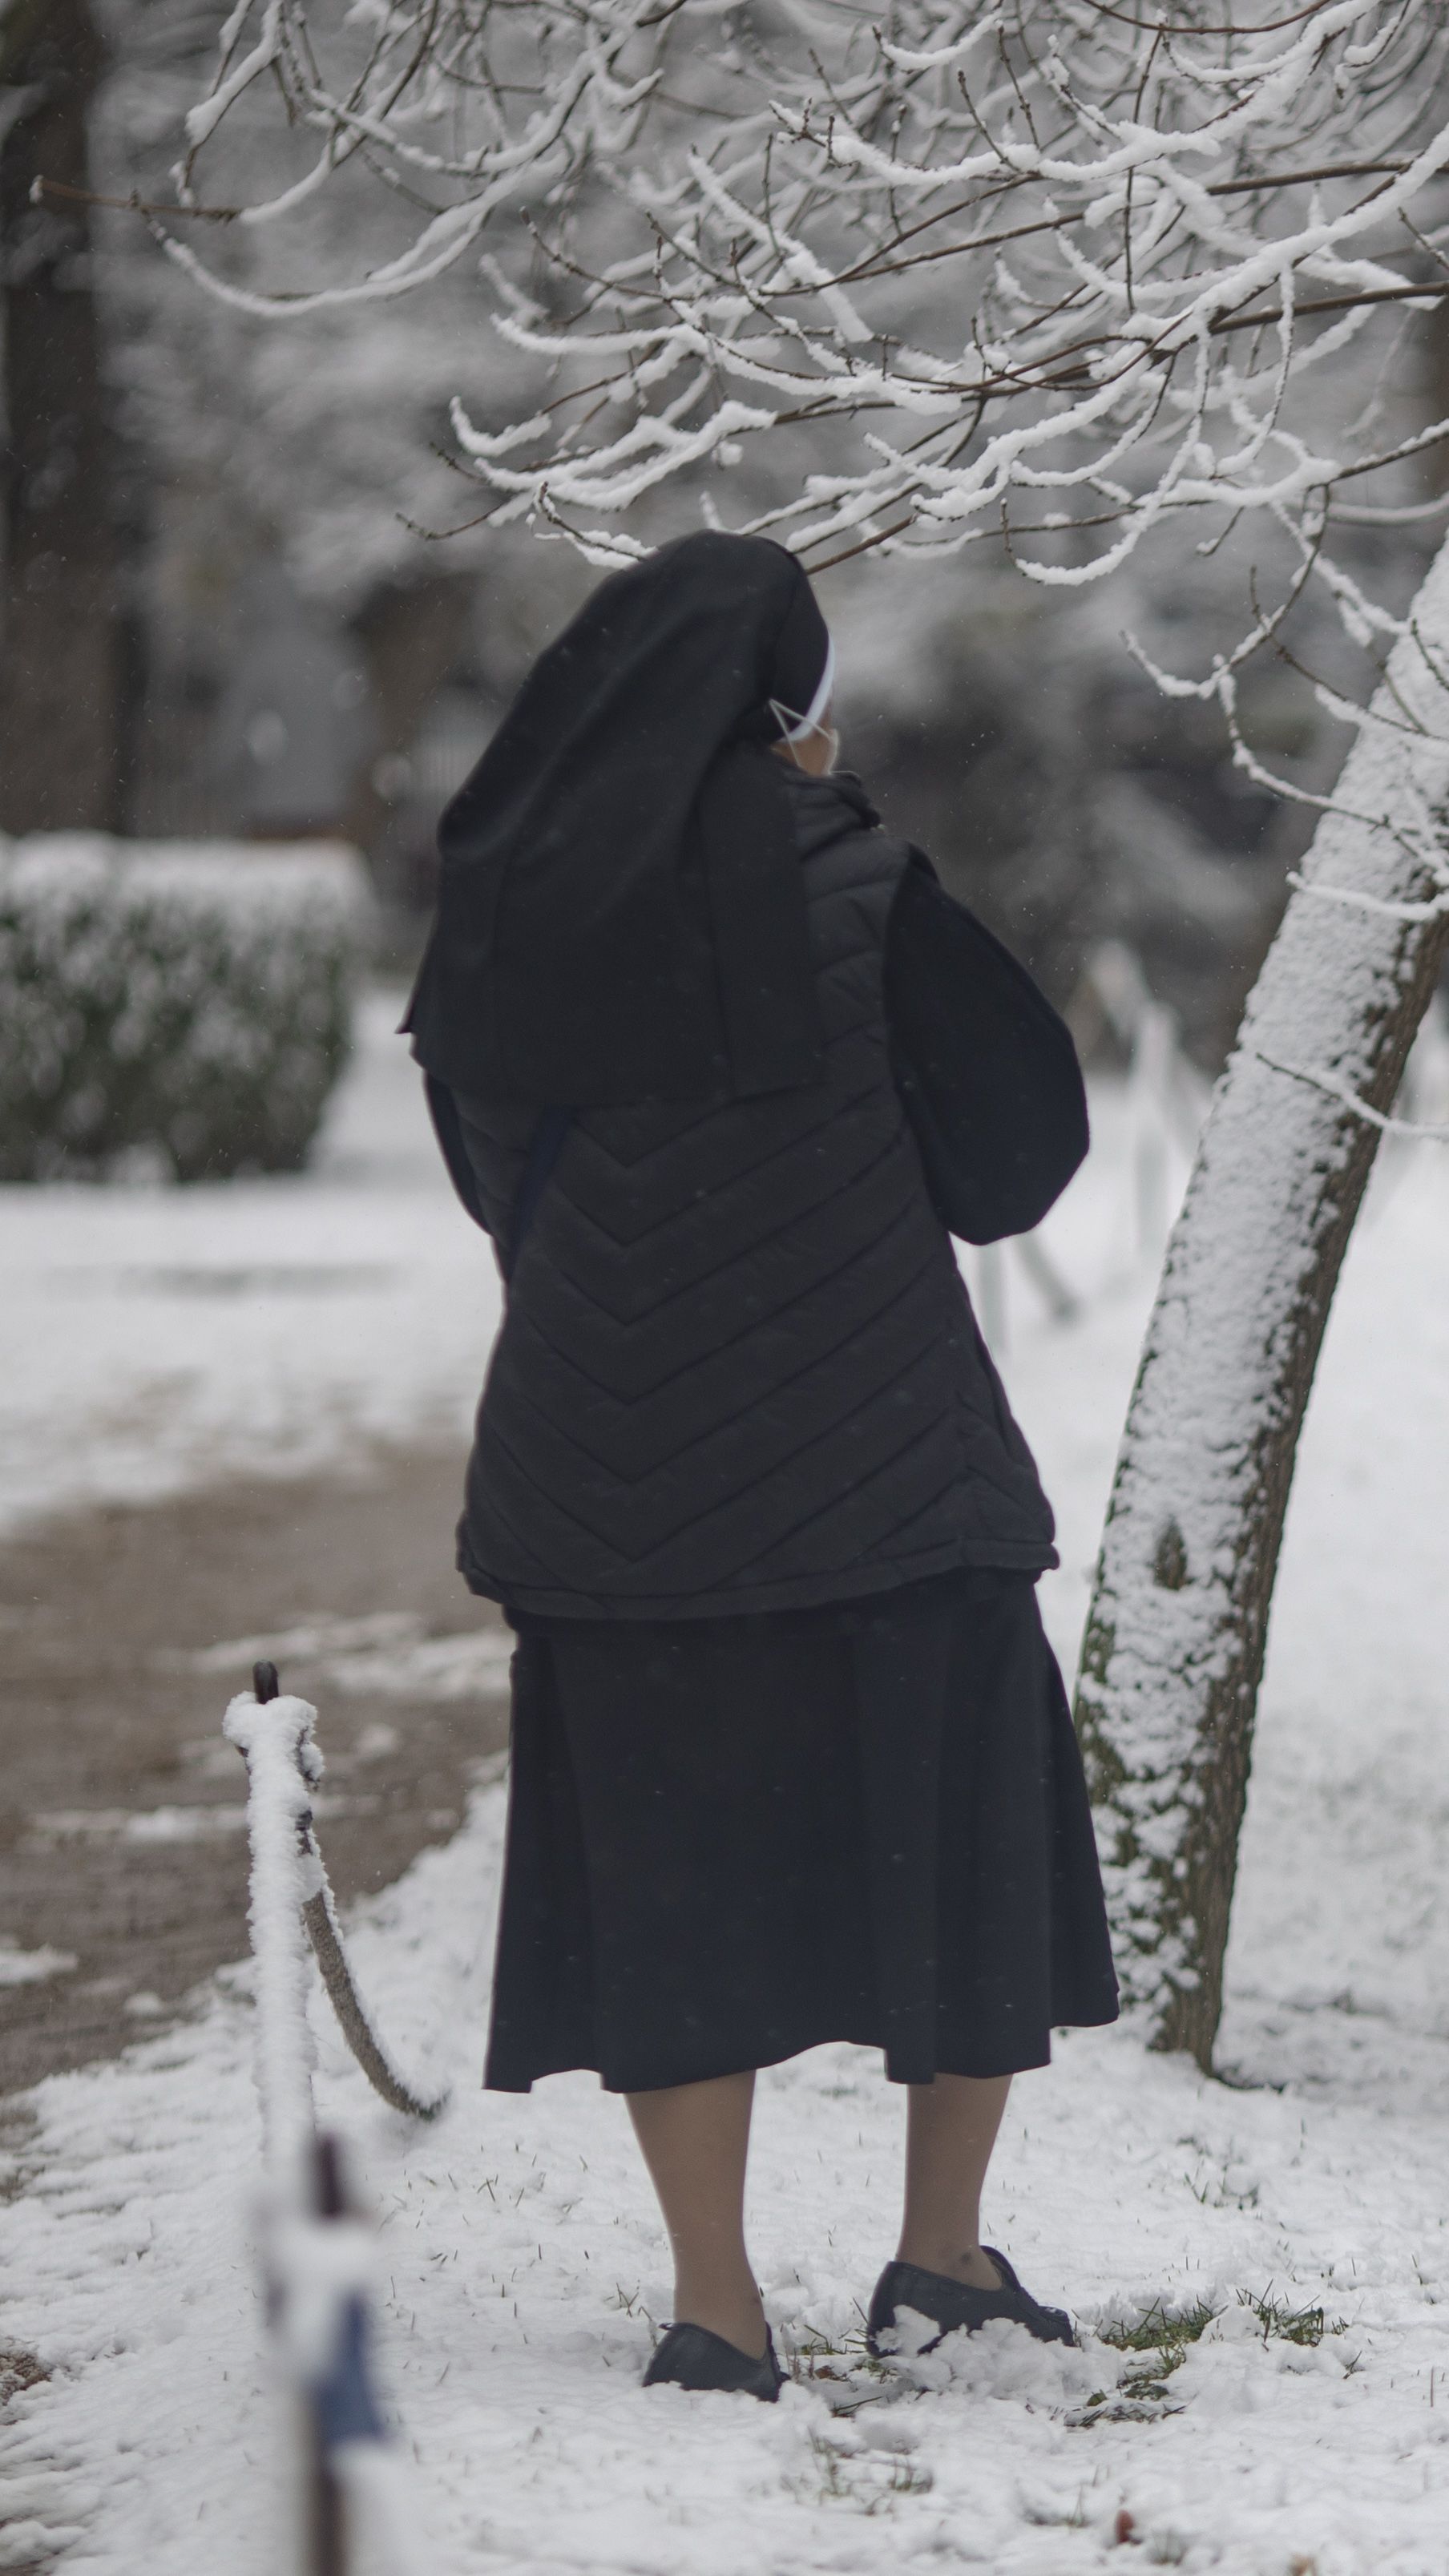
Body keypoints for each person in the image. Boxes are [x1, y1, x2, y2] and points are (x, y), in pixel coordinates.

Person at [410, 532, 1118, 2401]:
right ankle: (942, 2255)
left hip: (611, 1494)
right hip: (886, 1472)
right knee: (958, 1851)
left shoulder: (496, 914)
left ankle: (717, 2306)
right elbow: (1018, 1162)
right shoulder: (865, 892)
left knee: (671, 1883)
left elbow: (498, 1185)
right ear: (787, 717)